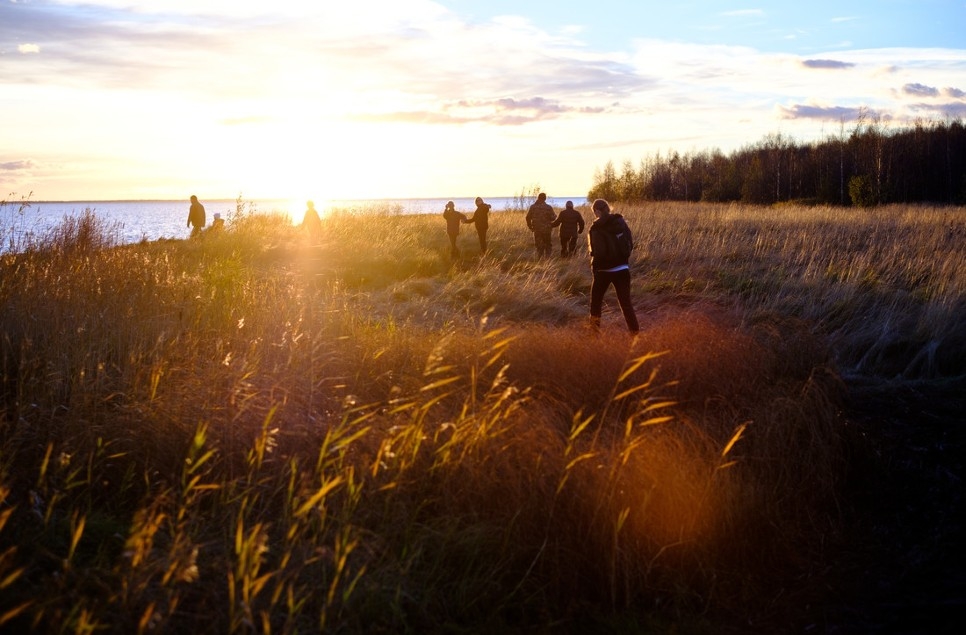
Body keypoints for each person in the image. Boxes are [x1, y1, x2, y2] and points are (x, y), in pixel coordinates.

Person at [588, 198, 639, 333]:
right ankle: (635, 335)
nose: (595, 214)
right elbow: (629, 243)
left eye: (594, 211)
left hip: (603, 272)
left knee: (596, 304)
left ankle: (593, 336)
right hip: (623, 269)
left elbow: (597, 251)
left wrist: (595, 269)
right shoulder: (620, 222)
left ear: (597, 211)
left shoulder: (595, 227)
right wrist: (623, 260)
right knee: (626, 304)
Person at [526, 192, 556, 257]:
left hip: (537, 229)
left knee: (539, 245)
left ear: (538, 198)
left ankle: (540, 259)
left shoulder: (533, 207)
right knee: (547, 244)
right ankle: (548, 260)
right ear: (545, 199)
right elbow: (553, 218)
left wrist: (530, 227)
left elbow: (528, 217)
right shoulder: (548, 207)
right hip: (547, 229)